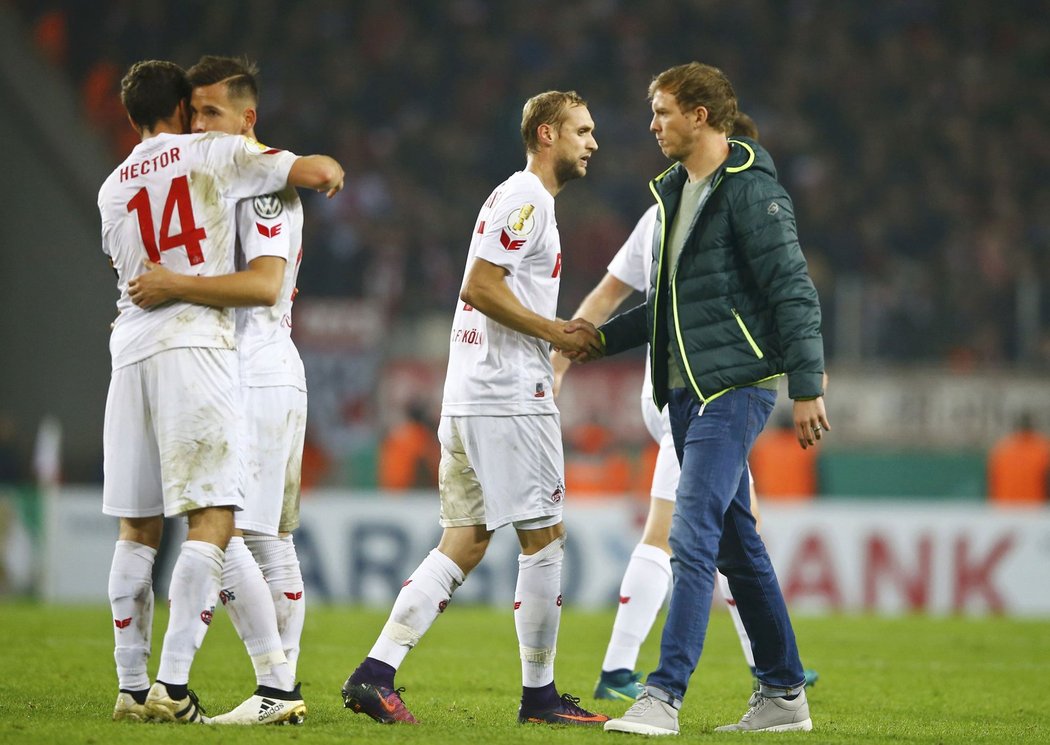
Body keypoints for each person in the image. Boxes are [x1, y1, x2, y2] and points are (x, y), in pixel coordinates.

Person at [339, 90, 607, 727]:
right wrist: (554, 331)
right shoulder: (527, 200)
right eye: (582, 130)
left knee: (464, 540)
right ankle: (539, 699)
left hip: (469, 392)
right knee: (544, 540)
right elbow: (479, 286)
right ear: (547, 134)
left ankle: (375, 674)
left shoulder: (514, 196)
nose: (593, 142)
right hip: (508, 394)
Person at [574, 63, 827, 735]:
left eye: (661, 112)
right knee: (738, 546)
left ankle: (663, 694)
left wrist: (807, 384)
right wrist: (594, 341)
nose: (652, 124)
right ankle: (782, 693)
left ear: (700, 116)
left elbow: (793, 288)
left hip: (735, 387)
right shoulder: (675, 194)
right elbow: (669, 310)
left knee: (691, 532)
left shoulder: (750, 191)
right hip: (685, 393)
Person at [101, 59, 343, 724]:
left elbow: (265, 283)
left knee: (258, 536)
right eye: (194, 112)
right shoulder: (211, 169)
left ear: (247, 120)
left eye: (212, 113)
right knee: (233, 533)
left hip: (256, 367)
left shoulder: (258, 184)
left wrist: (169, 289)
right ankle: (271, 685)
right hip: (204, 362)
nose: (201, 126)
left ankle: (272, 686)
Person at [987, 412, 1050, 505]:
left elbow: (992, 483)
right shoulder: (1043, 449)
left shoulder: (1001, 450)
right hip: (1035, 509)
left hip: (1004, 509)